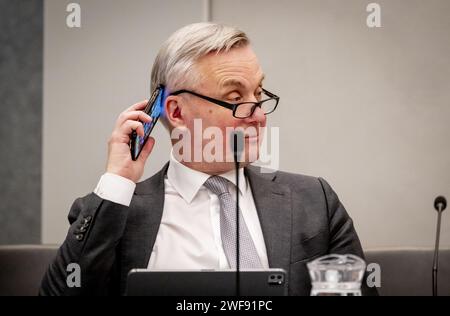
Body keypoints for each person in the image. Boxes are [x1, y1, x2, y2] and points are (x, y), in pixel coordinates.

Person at [40, 22, 377, 296]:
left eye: (258, 94)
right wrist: (118, 180)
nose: (258, 116)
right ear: (176, 111)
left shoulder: (314, 202)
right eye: (235, 97)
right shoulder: (115, 212)